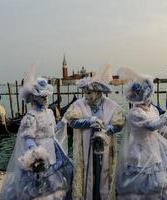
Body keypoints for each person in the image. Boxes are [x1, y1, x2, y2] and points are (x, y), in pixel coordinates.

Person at [116, 67, 167, 200]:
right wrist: (166, 117)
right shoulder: (135, 113)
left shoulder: (153, 109)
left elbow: (158, 129)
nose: (150, 98)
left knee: (164, 174)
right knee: (145, 178)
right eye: (148, 96)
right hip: (140, 150)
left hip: (155, 147)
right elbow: (152, 126)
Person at [0, 67, 73, 200]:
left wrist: (62, 123)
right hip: (39, 154)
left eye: (45, 97)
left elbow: (50, 132)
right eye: (42, 97)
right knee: (39, 187)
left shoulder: (50, 112)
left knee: (56, 182)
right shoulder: (30, 116)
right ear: (34, 97)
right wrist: (35, 153)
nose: (45, 99)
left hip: (52, 151)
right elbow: (28, 137)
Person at [63, 65, 125, 200]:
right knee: (88, 172)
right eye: (85, 93)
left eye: (89, 93)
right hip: (86, 149)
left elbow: (119, 125)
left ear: (98, 92)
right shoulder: (79, 105)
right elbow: (72, 122)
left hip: (105, 149)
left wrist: (105, 131)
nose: (86, 96)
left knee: (104, 173)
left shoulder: (111, 105)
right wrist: (90, 121)